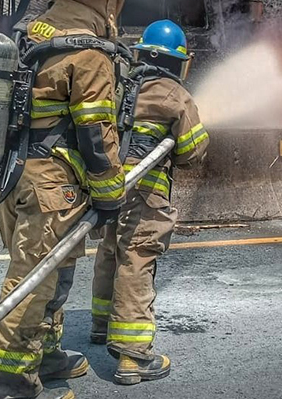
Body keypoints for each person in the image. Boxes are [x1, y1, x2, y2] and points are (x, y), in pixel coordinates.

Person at [0, 0, 129, 399]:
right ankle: (8, 382)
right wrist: (111, 194)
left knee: (56, 271)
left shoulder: (30, 30)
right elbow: (96, 130)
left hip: (14, 174)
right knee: (34, 280)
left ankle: (44, 357)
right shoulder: (88, 52)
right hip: (51, 185)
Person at [90, 20, 209, 386]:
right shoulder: (175, 95)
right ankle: (132, 356)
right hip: (146, 192)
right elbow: (191, 151)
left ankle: (100, 325)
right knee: (137, 258)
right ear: (178, 63)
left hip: (109, 187)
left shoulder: (121, 86)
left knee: (110, 250)